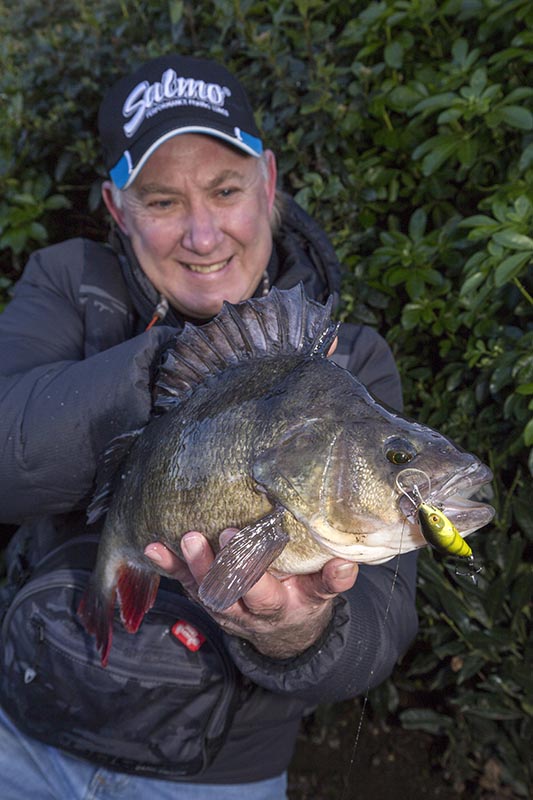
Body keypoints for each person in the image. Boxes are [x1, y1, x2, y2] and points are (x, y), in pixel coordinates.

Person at [0, 54, 418, 799]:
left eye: (225, 190)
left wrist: (293, 630)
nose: (201, 234)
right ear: (116, 206)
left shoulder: (346, 363)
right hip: (25, 730)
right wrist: (181, 365)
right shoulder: (69, 284)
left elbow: (380, 629)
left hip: (214, 774)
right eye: (161, 201)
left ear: (268, 180)